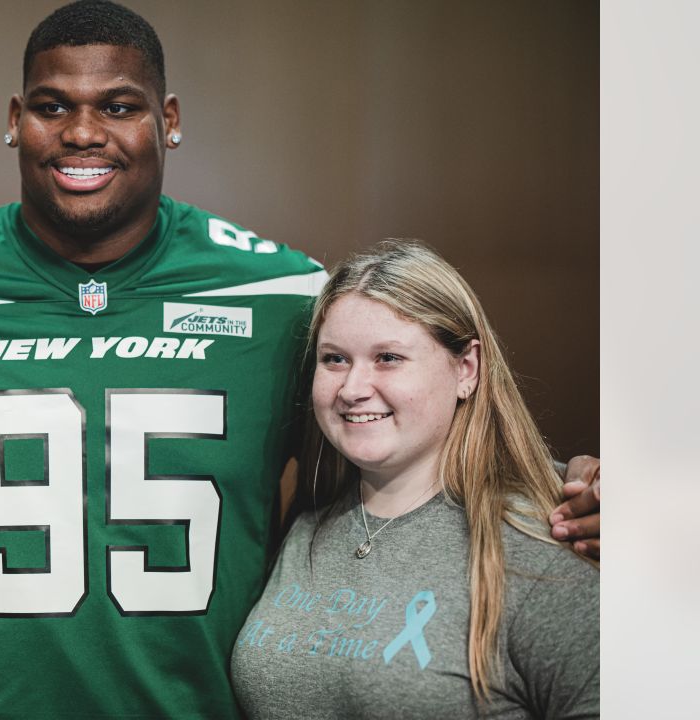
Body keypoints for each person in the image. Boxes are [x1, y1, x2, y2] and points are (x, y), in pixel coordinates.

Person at [0, 1, 600, 716]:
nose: (83, 131)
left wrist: (572, 500)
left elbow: (410, 457)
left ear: (168, 119)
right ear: (13, 118)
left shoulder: (283, 297)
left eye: (119, 106)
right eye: (53, 107)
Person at [230, 240, 599, 718]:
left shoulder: (546, 542)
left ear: (466, 368)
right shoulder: (308, 528)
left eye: (388, 357)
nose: (353, 389)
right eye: (335, 359)